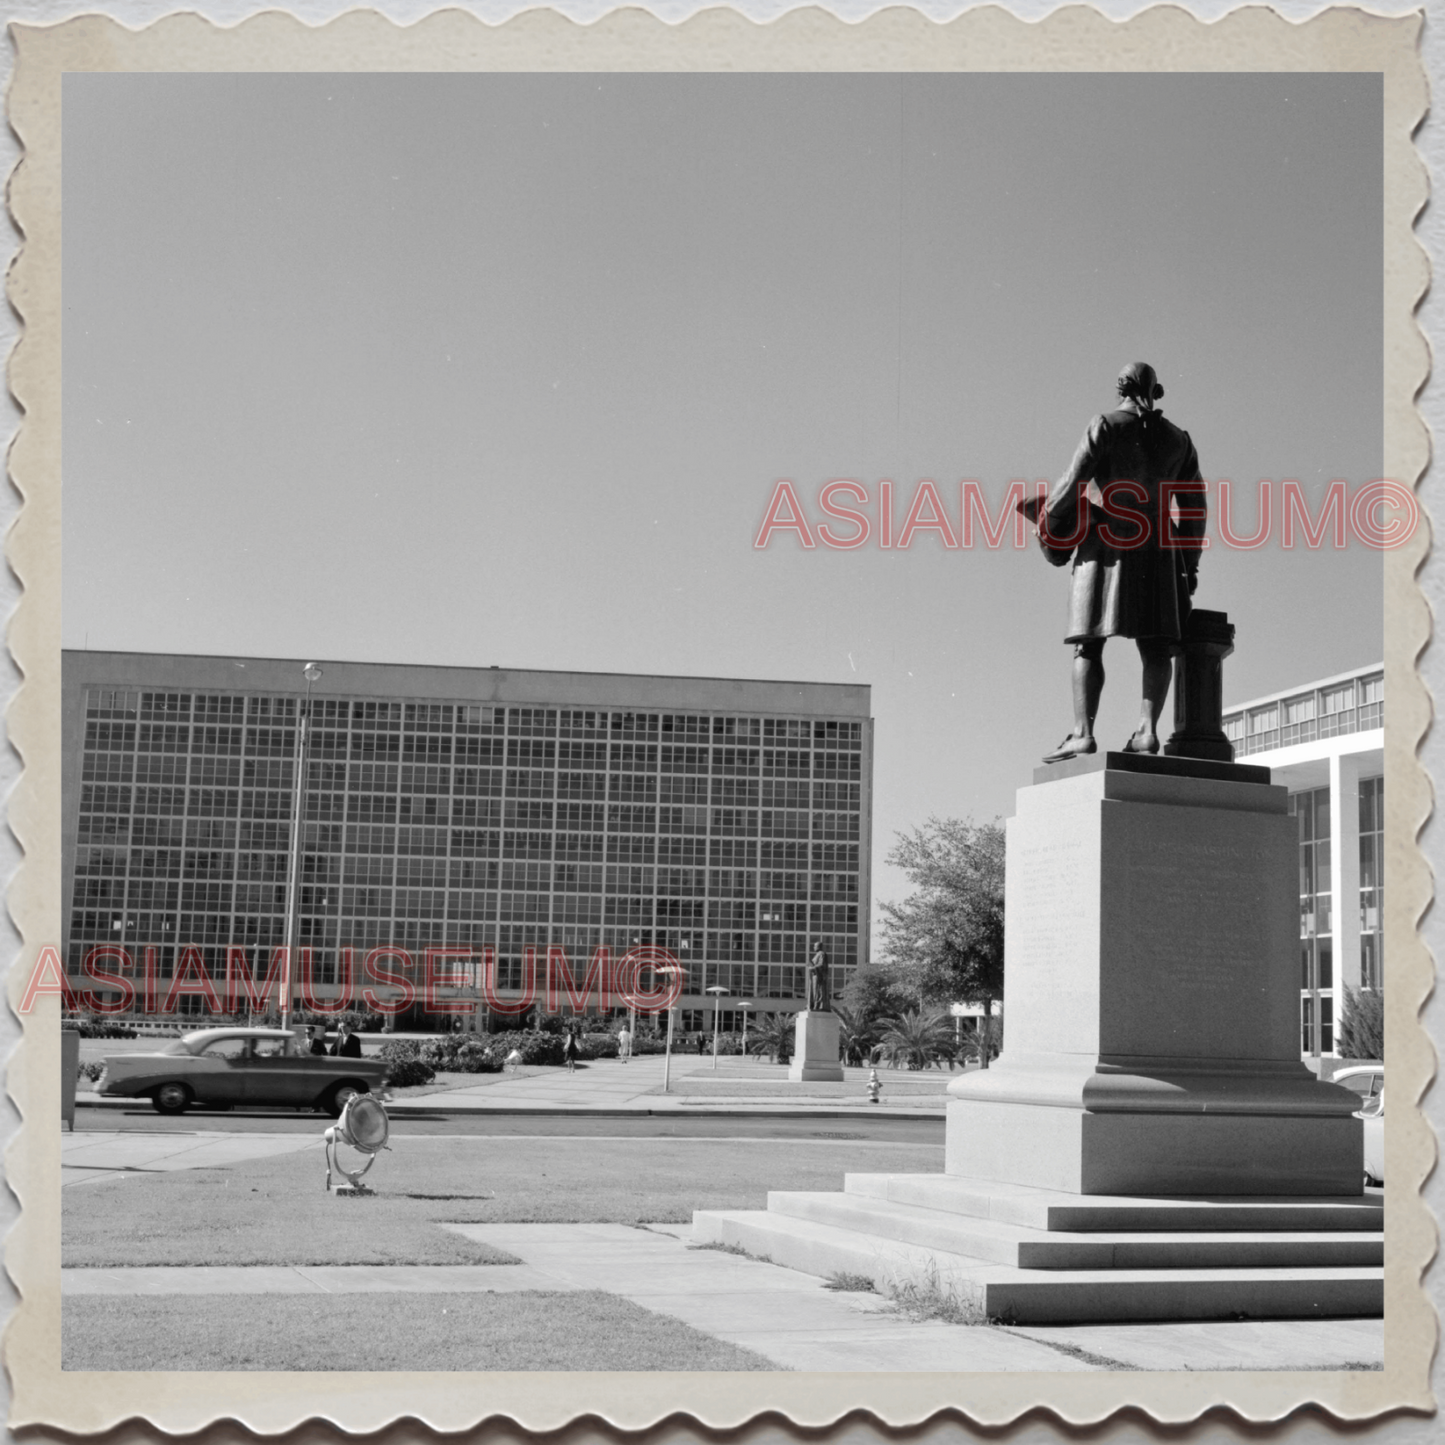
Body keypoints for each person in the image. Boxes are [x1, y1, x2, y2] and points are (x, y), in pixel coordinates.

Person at [1032, 362, 1206, 763]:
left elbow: (1073, 482)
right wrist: (1189, 565)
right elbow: (1195, 509)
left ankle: (1082, 733)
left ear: (1119, 389)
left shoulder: (1105, 425)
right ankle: (1147, 733)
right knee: (1158, 645)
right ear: (1154, 389)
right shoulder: (1180, 440)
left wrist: (1049, 529)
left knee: (1088, 646)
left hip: (1105, 544)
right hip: (1161, 549)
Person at [808, 940, 831, 1012]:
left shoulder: (822, 954)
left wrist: (813, 967)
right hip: (815, 976)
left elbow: (822, 964)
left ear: (818, 946)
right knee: (815, 992)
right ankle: (815, 1005)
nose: (813, 947)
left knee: (818, 991)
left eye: (814, 946)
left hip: (819, 976)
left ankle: (819, 1006)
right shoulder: (817, 954)